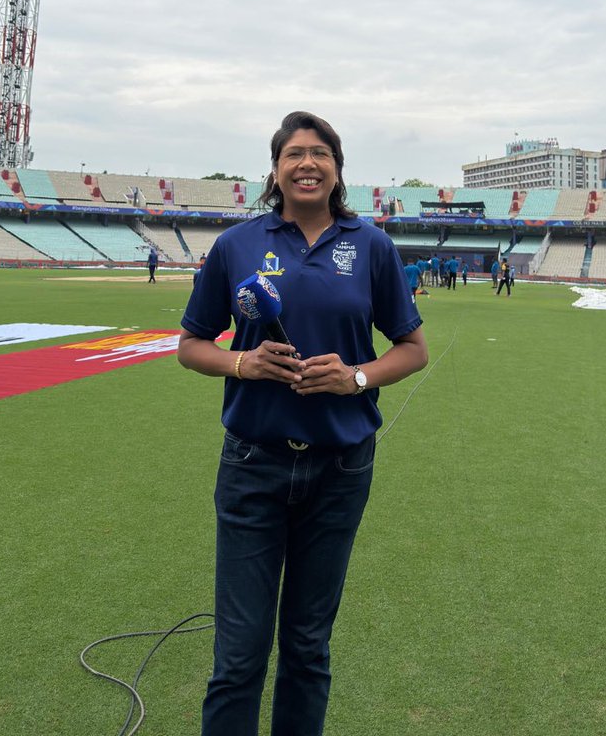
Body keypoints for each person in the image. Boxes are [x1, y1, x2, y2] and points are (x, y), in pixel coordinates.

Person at [178, 111, 428, 736]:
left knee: (308, 646)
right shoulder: (237, 245)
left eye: (321, 153)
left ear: (338, 170)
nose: (307, 163)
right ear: (276, 169)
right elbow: (191, 345)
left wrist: (356, 377)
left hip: (340, 469)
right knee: (239, 654)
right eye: (294, 153)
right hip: (253, 465)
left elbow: (412, 349)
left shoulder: (371, 246)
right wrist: (244, 362)